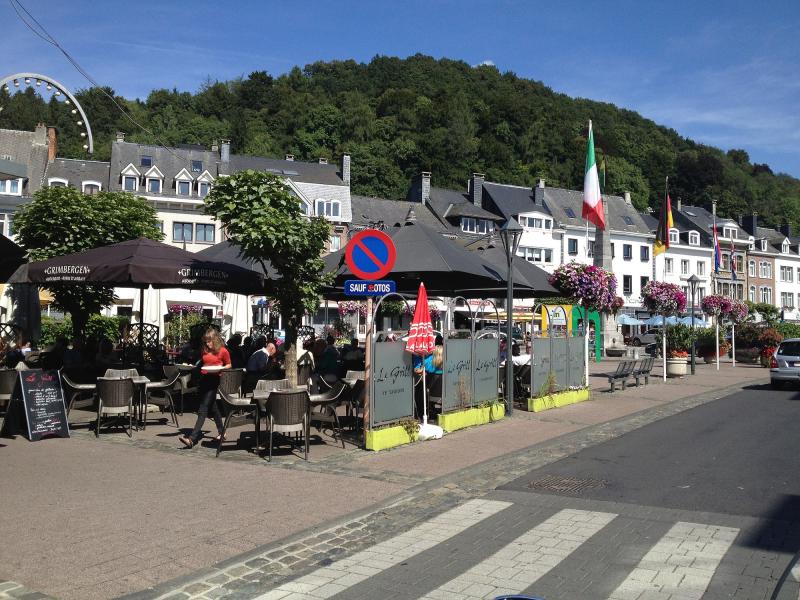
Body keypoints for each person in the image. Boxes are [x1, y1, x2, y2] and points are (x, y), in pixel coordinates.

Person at [179, 329, 231, 449]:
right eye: (206, 341)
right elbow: (202, 362)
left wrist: (221, 368)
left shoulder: (223, 351)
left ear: (215, 340)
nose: (207, 344)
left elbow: (229, 364)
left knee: (203, 408)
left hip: (214, 380)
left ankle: (192, 439)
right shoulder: (205, 350)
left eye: (209, 341)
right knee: (213, 408)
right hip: (203, 379)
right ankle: (222, 432)